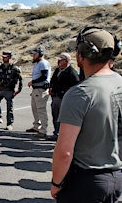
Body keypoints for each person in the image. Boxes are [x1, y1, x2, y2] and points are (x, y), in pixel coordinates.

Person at [51, 27, 122, 202]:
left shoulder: (81, 93)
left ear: (81, 54)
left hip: (86, 181)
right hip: (116, 176)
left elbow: (64, 151)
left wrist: (56, 183)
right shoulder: (119, 82)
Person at [48, 53, 80, 141]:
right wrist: (51, 88)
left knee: (63, 117)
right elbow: (53, 80)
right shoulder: (58, 70)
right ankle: (56, 132)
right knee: (55, 115)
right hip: (55, 97)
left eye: (60, 60)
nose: (58, 62)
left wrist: (64, 93)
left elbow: (74, 87)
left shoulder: (72, 73)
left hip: (64, 98)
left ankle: (63, 135)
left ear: (66, 61)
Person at [26, 46, 51, 138]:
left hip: (41, 89)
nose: (33, 56)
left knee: (41, 110)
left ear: (40, 54)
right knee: (35, 108)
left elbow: (44, 76)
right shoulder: (38, 63)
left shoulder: (43, 63)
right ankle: (36, 126)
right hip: (36, 89)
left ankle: (43, 129)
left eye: (35, 54)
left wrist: (32, 82)